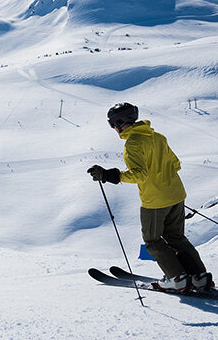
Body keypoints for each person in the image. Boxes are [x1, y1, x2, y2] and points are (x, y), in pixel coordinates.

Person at [88, 102, 213, 291]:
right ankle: (199, 277)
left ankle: (177, 278)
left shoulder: (133, 144)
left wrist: (109, 175)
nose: (113, 128)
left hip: (155, 202)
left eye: (113, 124)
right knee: (176, 237)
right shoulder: (158, 137)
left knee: (153, 240)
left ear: (121, 122)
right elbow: (176, 164)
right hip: (177, 195)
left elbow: (141, 175)